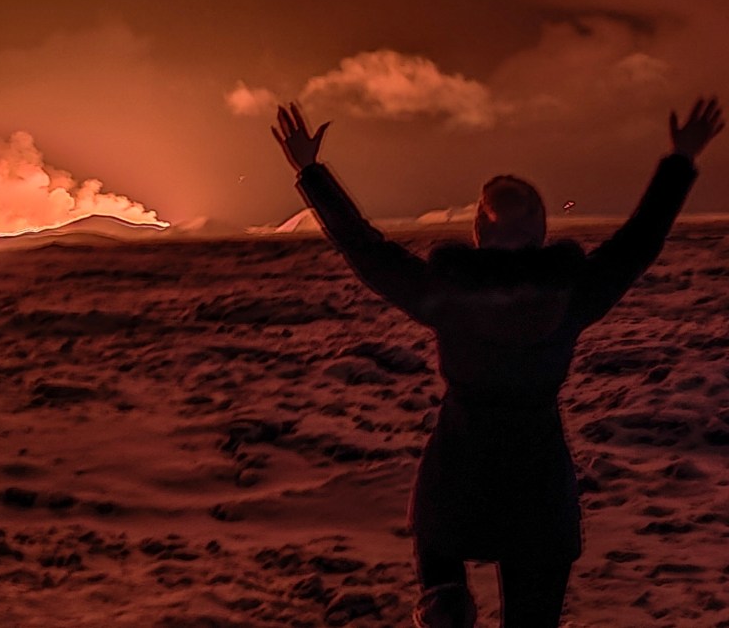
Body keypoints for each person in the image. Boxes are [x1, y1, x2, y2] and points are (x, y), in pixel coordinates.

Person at [271, 99, 723, 627]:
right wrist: (680, 160)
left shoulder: (445, 290)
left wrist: (309, 171)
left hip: (456, 475)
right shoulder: (572, 292)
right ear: (542, 231)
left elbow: (364, 249)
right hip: (539, 483)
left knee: (442, 589)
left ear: (478, 235)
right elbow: (639, 241)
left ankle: (445, 605)